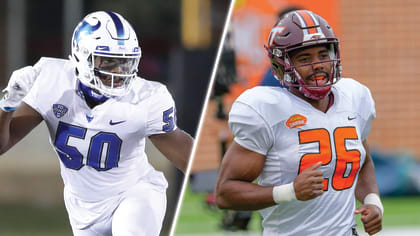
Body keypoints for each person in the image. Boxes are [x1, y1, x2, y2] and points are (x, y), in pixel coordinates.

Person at [0, 11, 193, 236]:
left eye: (125, 62)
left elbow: (186, 155)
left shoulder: (145, 98)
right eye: (109, 61)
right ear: (82, 56)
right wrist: (8, 105)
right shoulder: (52, 81)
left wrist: (217, 177)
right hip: (82, 210)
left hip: (134, 194)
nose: (119, 72)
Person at [215, 10, 383, 236]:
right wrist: (289, 191)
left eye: (323, 55)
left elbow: (363, 162)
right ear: (281, 65)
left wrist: (373, 201)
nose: (318, 65)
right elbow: (225, 193)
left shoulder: (354, 97)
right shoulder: (267, 109)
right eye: (305, 58)